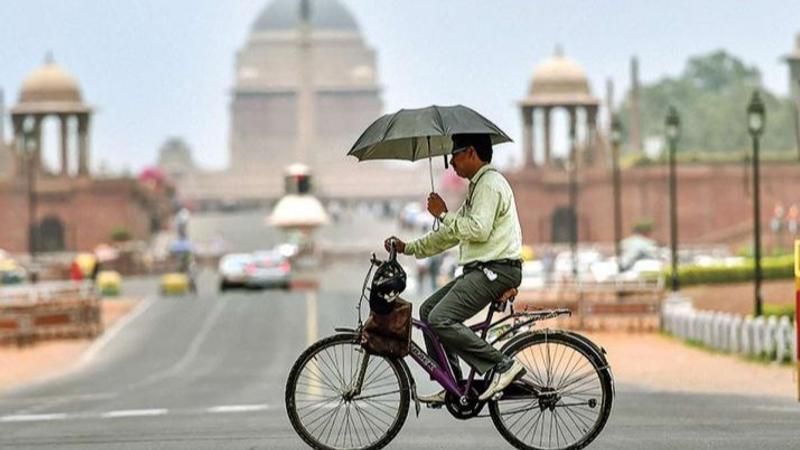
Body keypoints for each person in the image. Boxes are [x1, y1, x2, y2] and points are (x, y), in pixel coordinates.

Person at [384, 133, 525, 404]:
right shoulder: (477, 187)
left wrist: (442, 214)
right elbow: (450, 235)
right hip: (482, 271)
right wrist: (408, 248)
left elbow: (478, 230)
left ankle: (502, 365)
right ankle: (453, 383)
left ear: (471, 152)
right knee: (427, 312)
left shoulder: (490, 184)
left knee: (440, 319)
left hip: (496, 270)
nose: (451, 164)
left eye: (454, 156)